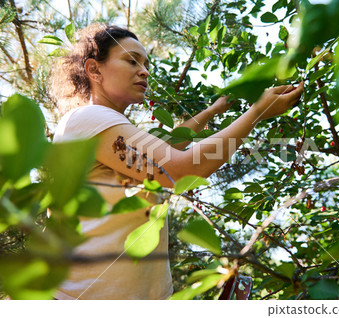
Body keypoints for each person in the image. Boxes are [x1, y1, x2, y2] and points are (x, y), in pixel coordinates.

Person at [49, 23, 304, 300]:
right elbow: (182, 168)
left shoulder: (105, 126)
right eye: (131, 60)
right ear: (94, 70)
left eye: (146, 64)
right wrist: (256, 112)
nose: (144, 71)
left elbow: (167, 145)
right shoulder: (88, 118)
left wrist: (213, 110)